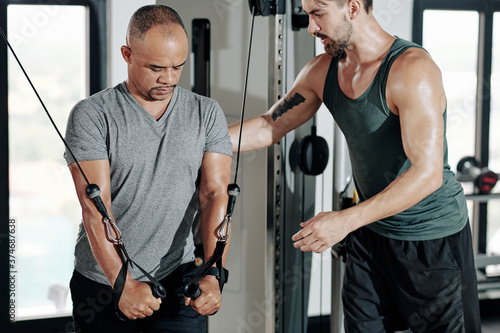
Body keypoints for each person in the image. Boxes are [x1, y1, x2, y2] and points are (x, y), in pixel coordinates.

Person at [229, 0, 481, 332]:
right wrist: (196, 139)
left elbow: (428, 173)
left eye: (318, 14)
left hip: (431, 240)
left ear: (352, 7)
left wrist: (345, 221)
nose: (311, 27)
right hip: (372, 235)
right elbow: (269, 126)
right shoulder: (322, 71)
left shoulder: (411, 69)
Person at [65, 5, 233, 333]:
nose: (168, 78)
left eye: (177, 67)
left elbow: (214, 194)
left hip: (178, 280)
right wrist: (122, 283)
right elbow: (94, 206)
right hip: (102, 283)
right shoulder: (91, 115)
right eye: (156, 68)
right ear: (127, 54)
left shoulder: (206, 113)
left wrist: (214, 273)